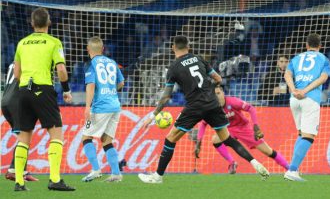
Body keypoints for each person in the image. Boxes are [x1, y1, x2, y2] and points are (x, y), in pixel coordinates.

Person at [138, 35, 269, 183]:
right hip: (212, 103)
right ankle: (255, 163)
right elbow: (218, 79)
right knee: (227, 138)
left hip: (194, 106)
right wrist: (208, 89)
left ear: (173, 47)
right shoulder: (199, 59)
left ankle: (157, 177)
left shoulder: (174, 67)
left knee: (170, 139)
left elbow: (166, 97)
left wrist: (153, 115)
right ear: (189, 46)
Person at [13, 7, 75, 191]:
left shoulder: (22, 43)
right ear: (49, 23)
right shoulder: (54, 42)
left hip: (24, 90)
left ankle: (19, 182)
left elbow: (17, 74)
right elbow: (62, 70)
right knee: (56, 134)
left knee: (24, 137)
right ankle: (55, 180)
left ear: (32, 23)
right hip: (43, 90)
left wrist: (29, 87)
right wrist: (66, 90)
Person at [195, 86, 289, 174]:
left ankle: (290, 169)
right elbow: (203, 124)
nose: (217, 96)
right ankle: (232, 162)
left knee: (268, 151)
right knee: (215, 139)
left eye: (218, 93)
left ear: (223, 93)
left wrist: (255, 125)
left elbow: (251, 108)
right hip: (228, 130)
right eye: (214, 95)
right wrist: (199, 141)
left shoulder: (233, 102)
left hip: (243, 128)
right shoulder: (212, 108)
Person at [284, 33, 330, 181]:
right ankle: (291, 170)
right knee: (308, 136)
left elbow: (287, 75)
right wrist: (305, 91)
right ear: (320, 46)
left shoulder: (296, 58)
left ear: (306, 45)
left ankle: (294, 169)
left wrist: (294, 90)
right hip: (310, 99)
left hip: (294, 99)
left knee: (301, 134)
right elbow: (323, 78)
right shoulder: (323, 59)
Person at [81, 36, 125, 182]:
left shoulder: (91, 64)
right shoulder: (112, 62)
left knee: (86, 137)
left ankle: (95, 170)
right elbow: (122, 83)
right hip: (115, 106)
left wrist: (87, 106)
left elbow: (91, 86)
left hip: (100, 107)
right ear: (103, 49)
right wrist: (110, 89)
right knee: (106, 140)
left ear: (88, 49)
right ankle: (116, 174)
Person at [1, 63, 38, 182]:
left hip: (5, 101)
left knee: (23, 137)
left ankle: (22, 171)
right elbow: (29, 85)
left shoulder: (13, 63)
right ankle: (13, 171)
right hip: (17, 102)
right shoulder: (29, 60)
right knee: (25, 137)